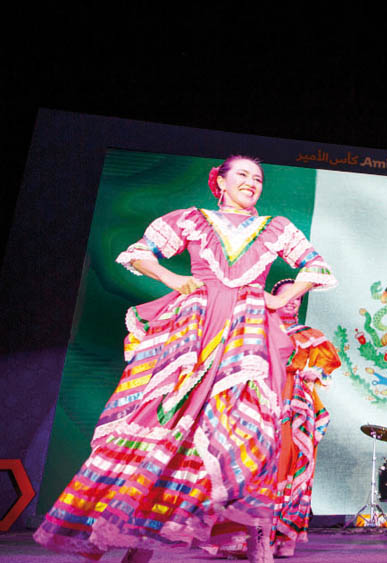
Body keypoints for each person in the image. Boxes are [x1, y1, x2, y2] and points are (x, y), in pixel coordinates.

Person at [33, 156, 337, 563]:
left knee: (247, 433)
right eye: (243, 175)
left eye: (258, 178)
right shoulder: (192, 220)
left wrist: (282, 297)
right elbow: (141, 253)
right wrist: (172, 278)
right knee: (168, 424)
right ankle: (135, 548)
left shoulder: (276, 228)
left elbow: (314, 266)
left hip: (246, 335)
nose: (251, 183)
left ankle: (253, 540)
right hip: (196, 328)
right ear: (220, 182)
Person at [213, 278, 341, 557]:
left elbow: (325, 372)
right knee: (249, 465)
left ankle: (279, 536)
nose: (294, 302)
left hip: (291, 405)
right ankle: (238, 536)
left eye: (298, 298)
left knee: (284, 466)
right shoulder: (257, 329)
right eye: (288, 297)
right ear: (273, 298)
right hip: (257, 401)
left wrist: (315, 374)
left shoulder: (309, 336)